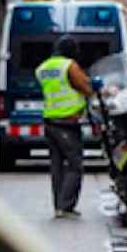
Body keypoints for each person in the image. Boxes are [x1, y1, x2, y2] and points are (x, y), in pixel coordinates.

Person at [37, 36, 94, 218]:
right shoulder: (69, 65)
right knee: (76, 165)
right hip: (67, 122)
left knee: (57, 165)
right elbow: (84, 87)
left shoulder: (43, 68)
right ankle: (66, 205)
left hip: (50, 121)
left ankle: (59, 205)